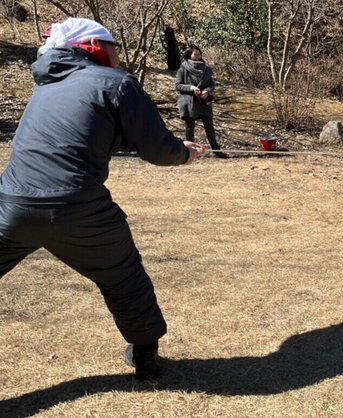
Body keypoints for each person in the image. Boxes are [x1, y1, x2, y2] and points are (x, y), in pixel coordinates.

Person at [0, 18, 205, 382]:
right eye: (112, 47)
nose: (117, 55)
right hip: (79, 207)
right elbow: (156, 149)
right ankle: (146, 358)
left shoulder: (46, 88)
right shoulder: (116, 83)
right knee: (124, 278)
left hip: (11, 202)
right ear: (94, 47)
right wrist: (183, 154)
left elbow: (91, 136)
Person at [176, 45, 227, 158]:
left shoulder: (207, 69)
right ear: (190, 55)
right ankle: (191, 152)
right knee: (190, 127)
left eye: (199, 54)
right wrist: (191, 88)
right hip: (189, 102)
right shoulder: (183, 68)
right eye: (195, 54)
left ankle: (216, 150)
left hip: (204, 102)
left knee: (209, 126)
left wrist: (207, 91)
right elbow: (178, 85)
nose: (198, 56)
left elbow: (211, 84)